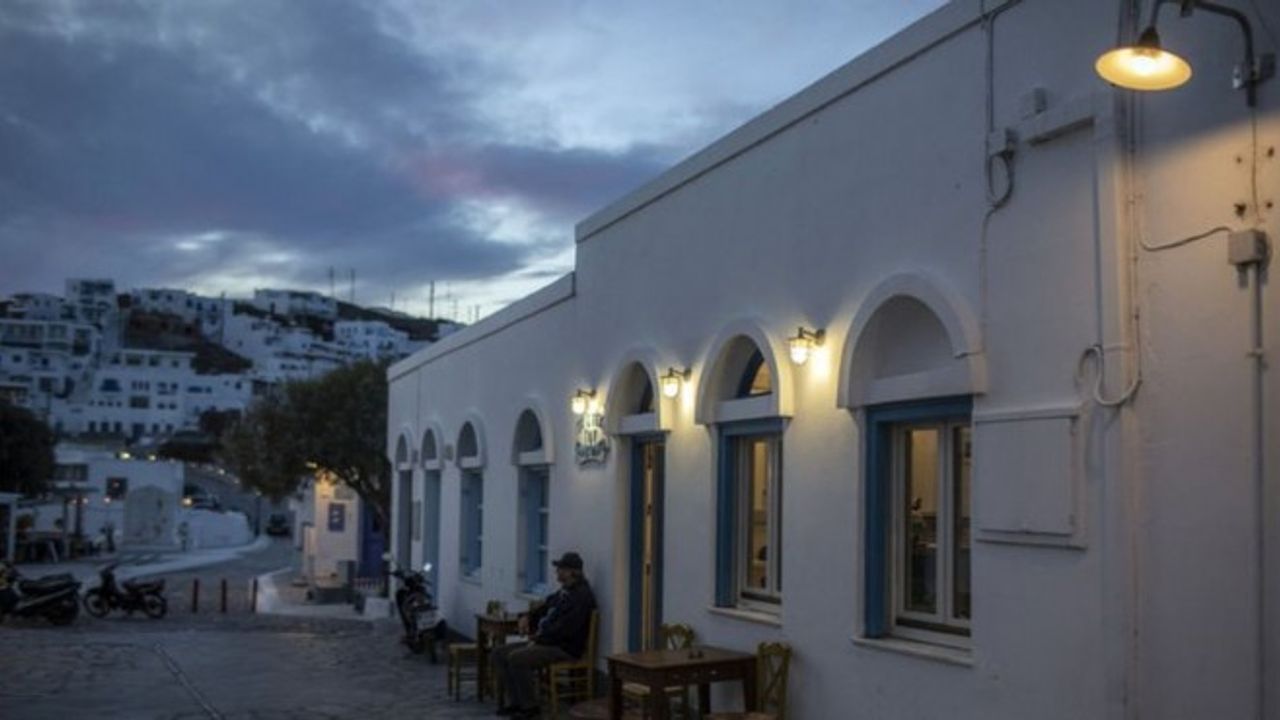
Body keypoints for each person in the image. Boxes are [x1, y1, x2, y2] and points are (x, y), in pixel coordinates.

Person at [492, 551, 597, 719]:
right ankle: (516, 702)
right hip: (546, 641)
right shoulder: (564, 592)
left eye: (561, 569)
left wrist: (538, 640)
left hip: (563, 647)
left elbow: (565, 630)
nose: (557, 572)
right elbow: (544, 607)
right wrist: (526, 617)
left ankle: (530, 707)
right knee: (499, 653)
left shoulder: (581, 597)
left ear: (573, 572)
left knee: (517, 658)